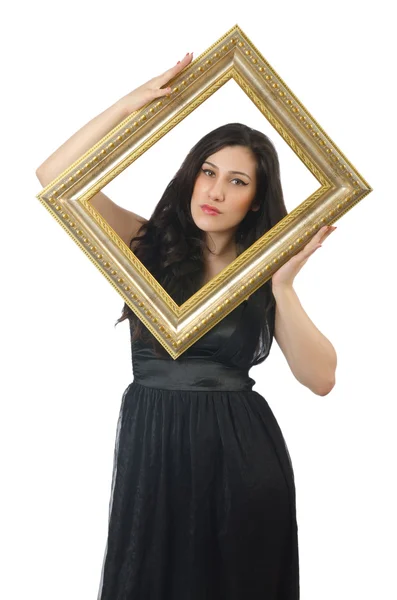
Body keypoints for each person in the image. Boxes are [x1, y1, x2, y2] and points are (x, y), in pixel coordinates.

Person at [36, 52, 337, 600]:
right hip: (153, 447)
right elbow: (54, 178)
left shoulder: (264, 272)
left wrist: (284, 288)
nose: (215, 192)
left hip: (242, 458)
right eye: (207, 172)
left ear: (254, 201)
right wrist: (133, 103)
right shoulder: (143, 247)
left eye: (237, 181)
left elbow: (321, 378)